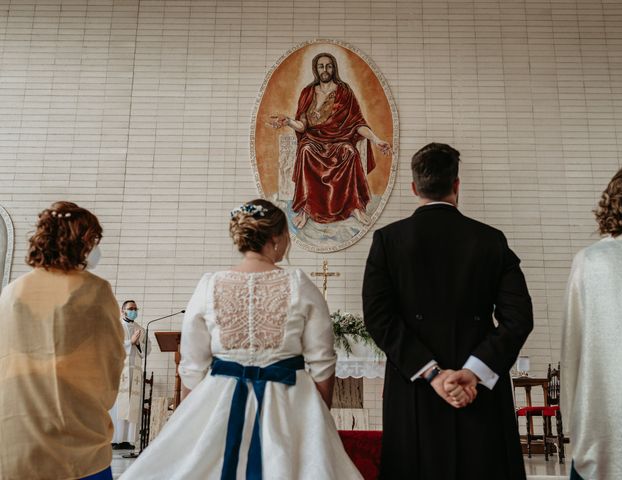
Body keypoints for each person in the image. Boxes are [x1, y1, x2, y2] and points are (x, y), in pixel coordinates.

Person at [120, 199, 362, 479]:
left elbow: (192, 366)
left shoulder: (209, 284)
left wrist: (189, 418)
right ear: (276, 238)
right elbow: (322, 361)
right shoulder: (299, 283)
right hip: (290, 399)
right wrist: (317, 416)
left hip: (219, 397)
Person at [362, 143, 534, 479]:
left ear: (414, 188)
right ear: (456, 185)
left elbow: (379, 318)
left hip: (416, 390)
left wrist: (433, 374)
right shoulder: (491, 240)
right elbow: (518, 318)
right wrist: (472, 372)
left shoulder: (388, 241)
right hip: (478, 391)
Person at [0, 201, 124, 480]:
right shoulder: (93, 290)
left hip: (16, 429)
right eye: (93, 240)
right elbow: (110, 359)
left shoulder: (11, 292)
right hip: (73, 431)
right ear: (79, 241)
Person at [561, 166, 622, 480]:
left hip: (605, 427)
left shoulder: (591, 261)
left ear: (611, 205)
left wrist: (573, 426)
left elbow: (573, 348)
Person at [269, 52, 391, 228]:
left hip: (339, 139)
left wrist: (376, 140)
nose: (325, 69)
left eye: (328, 65)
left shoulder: (344, 91)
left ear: (334, 68)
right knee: (305, 151)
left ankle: (355, 207)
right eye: (321, 66)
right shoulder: (308, 92)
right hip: (313, 140)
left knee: (349, 152)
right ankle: (305, 210)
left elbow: (357, 123)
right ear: (316, 69)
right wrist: (288, 121)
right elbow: (303, 126)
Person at [110, 299, 151, 450]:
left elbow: (147, 349)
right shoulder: (116, 327)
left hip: (135, 372)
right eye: (130, 308)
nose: (134, 311)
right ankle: (115, 439)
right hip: (120, 370)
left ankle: (128, 440)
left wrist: (138, 343)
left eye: (135, 308)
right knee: (118, 405)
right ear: (122, 311)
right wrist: (130, 343)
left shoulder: (141, 329)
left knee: (132, 405)